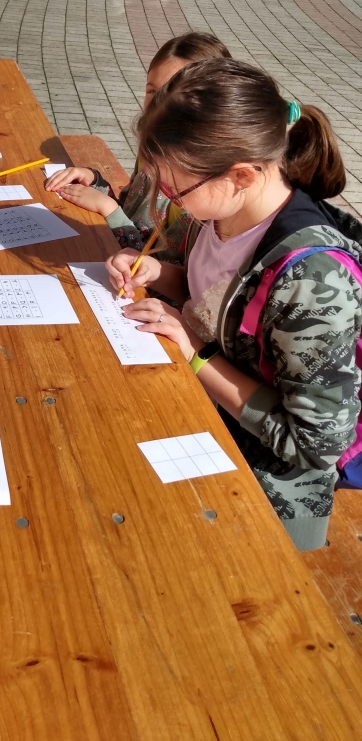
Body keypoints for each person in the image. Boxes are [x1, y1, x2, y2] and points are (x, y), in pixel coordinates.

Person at [109, 59, 362, 551]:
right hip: (200, 410)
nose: (168, 200)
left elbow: (314, 445)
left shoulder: (311, 279)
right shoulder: (219, 213)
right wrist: (158, 273)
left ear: (241, 175)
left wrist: (196, 353)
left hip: (267, 485)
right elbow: (217, 297)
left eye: (174, 188)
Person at [44, 32, 230, 264]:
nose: (157, 104)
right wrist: (95, 182)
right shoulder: (152, 150)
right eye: (152, 91)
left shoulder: (201, 192)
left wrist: (108, 209)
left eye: (172, 94)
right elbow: (130, 210)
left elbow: (161, 266)